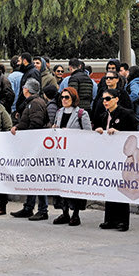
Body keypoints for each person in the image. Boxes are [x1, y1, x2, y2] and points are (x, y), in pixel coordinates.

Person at [94, 89, 138, 232]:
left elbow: (134, 133)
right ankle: (110, 219)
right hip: (107, 157)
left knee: (121, 186)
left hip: (122, 157)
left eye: (108, 99)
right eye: (103, 99)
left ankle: (122, 221)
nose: (105, 102)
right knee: (109, 186)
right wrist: (99, 131)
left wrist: (120, 134)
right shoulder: (102, 115)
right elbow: (97, 130)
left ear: (116, 99)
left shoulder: (126, 113)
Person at [9, 79, 49, 220]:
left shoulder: (35, 103)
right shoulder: (33, 102)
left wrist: (27, 138)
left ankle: (42, 209)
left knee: (38, 178)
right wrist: (19, 127)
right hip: (32, 145)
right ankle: (29, 207)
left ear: (27, 89)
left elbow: (36, 123)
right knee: (32, 178)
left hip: (34, 146)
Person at [51, 87, 92, 226]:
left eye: (67, 97)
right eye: (62, 97)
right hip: (61, 154)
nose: (64, 100)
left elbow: (88, 134)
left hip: (76, 155)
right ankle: (64, 212)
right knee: (61, 184)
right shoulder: (59, 112)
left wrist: (70, 133)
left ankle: (76, 214)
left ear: (73, 98)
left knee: (74, 184)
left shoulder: (82, 113)